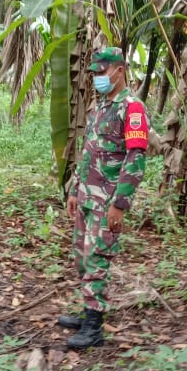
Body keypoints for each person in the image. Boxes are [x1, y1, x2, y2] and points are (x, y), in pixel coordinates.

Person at [60, 47, 149, 349]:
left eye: (102, 72)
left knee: (97, 260)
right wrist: (74, 190)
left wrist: (120, 205)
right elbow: (88, 152)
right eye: (95, 73)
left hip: (107, 201)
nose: (98, 77)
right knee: (82, 259)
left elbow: (135, 158)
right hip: (87, 197)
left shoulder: (131, 108)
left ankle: (94, 327)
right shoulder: (100, 106)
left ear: (119, 70)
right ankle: (87, 312)